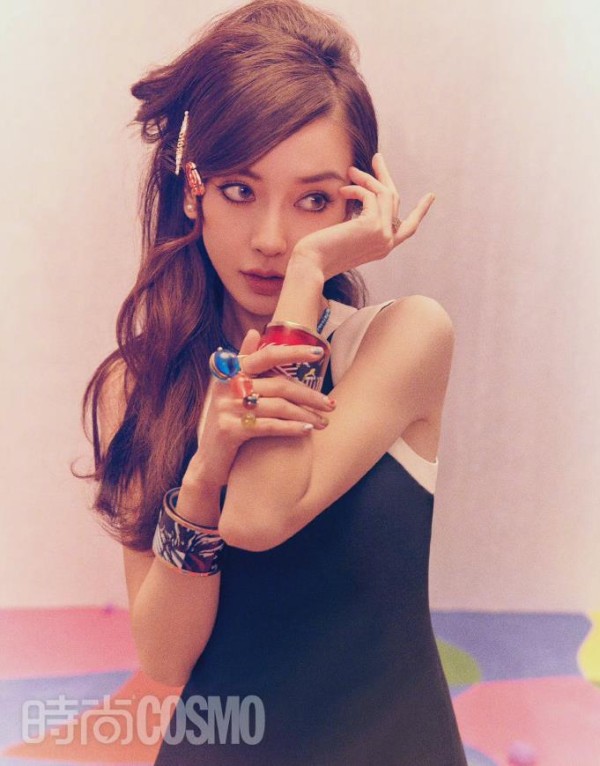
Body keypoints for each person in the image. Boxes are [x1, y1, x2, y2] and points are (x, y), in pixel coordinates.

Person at [79, 0, 467, 763]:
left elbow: (260, 515)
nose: (271, 239)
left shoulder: (405, 339)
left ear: (356, 204)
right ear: (192, 190)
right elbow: (165, 657)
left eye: (313, 201)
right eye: (239, 190)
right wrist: (201, 478)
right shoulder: (140, 385)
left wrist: (311, 271)